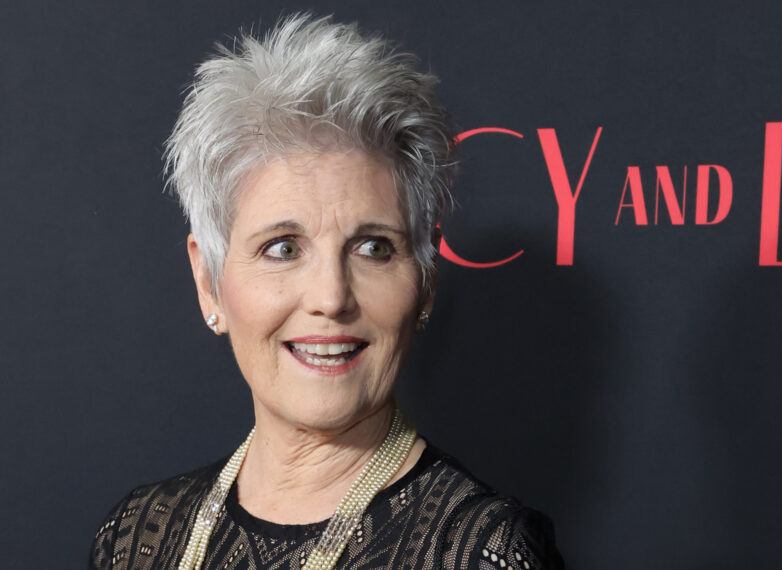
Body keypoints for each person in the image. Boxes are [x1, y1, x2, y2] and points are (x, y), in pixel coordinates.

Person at [89, 14, 564, 570]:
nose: (332, 297)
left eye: (374, 248)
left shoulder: (480, 551)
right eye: (283, 248)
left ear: (427, 279)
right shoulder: (136, 536)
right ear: (208, 283)